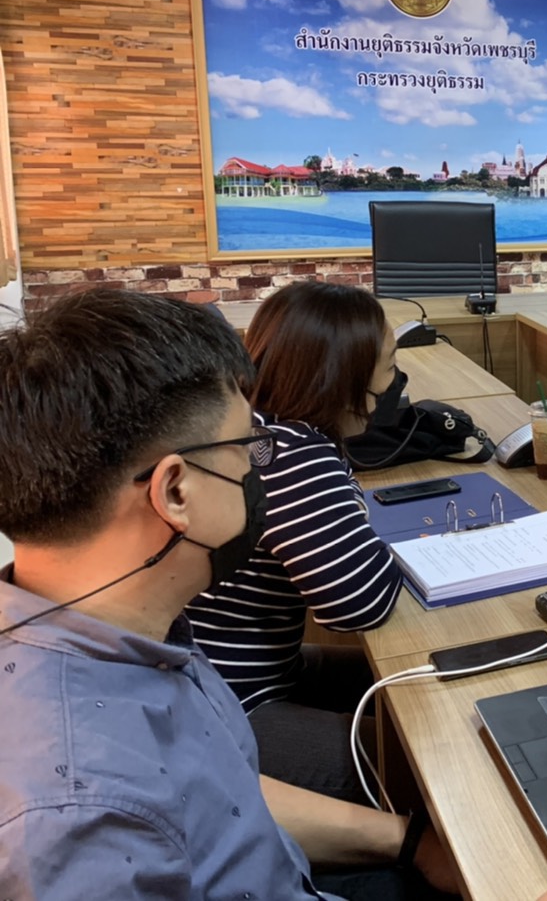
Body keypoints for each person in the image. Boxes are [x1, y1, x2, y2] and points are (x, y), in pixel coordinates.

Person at [0, 288, 547, 901]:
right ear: (175, 491)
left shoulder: (131, 641)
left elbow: (224, 791)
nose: (263, 465)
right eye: (247, 449)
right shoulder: (78, 814)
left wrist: (408, 841)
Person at [185, 281, 405, 804]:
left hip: (243, 672)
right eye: (390, 365)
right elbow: (361, 603)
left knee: (416, 687)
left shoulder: (260, 428)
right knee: (421, 756)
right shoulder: (294, 455)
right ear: (347, 377)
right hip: (229, 710)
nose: (397, 381)